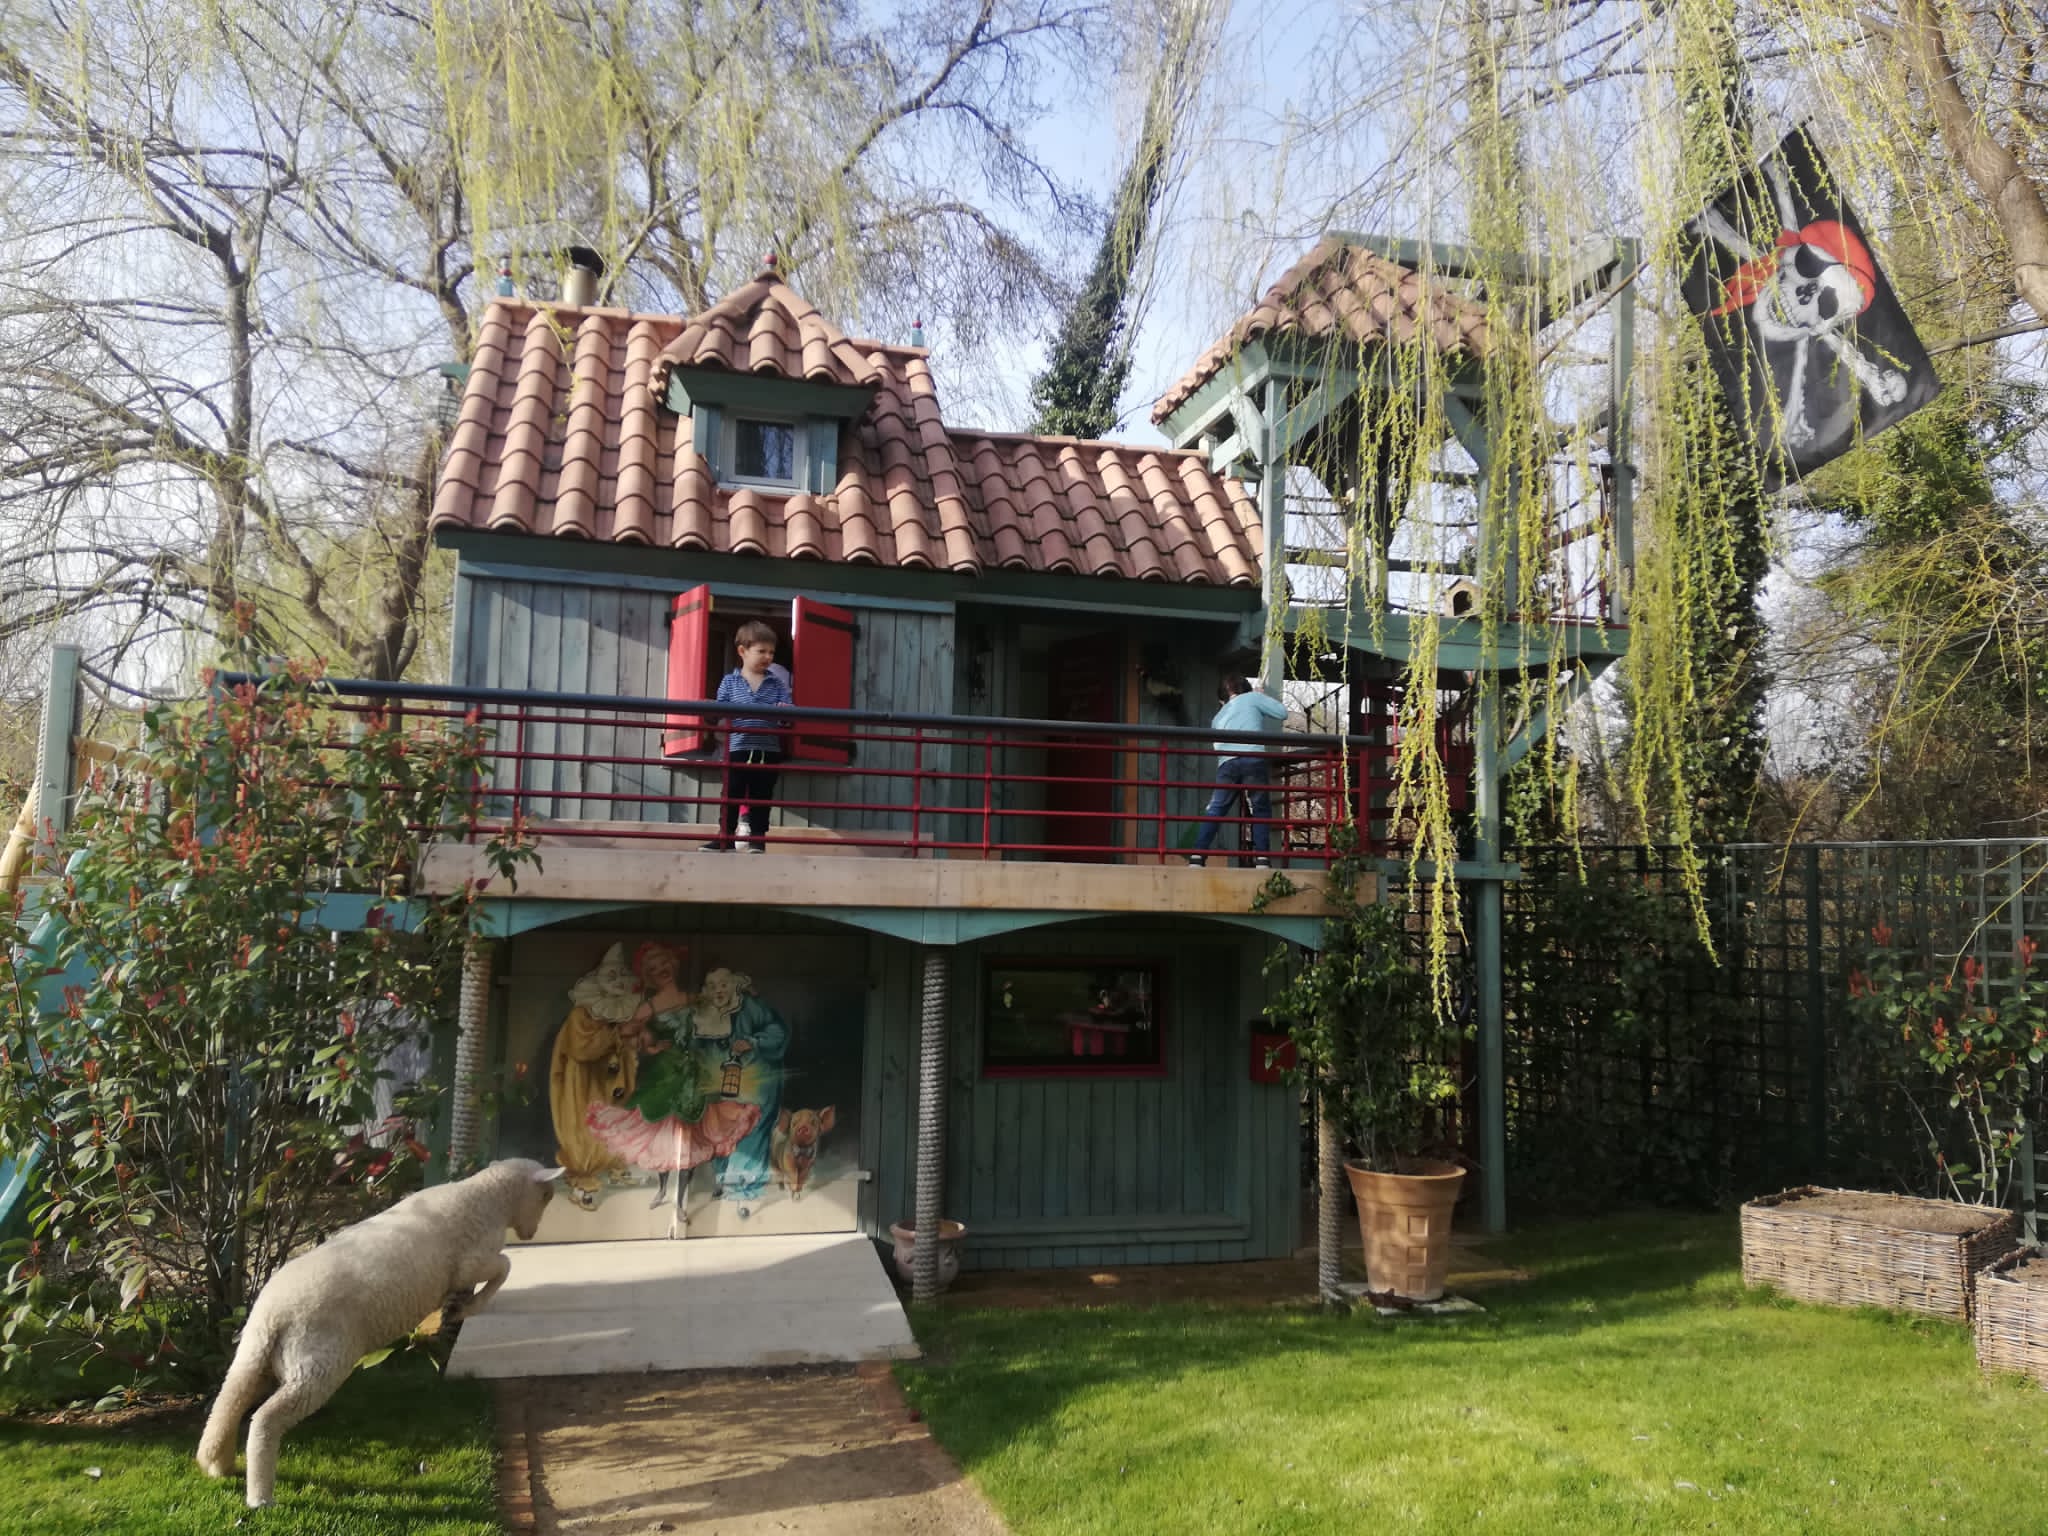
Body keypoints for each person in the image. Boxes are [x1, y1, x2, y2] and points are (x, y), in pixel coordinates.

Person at [702, 620, 792, 852]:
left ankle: (758, 840)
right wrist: (710, 713)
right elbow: (720, 710)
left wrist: (785, 712)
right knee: (731, 796)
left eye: (771, 652)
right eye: (761, 651)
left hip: (768, 750)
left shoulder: (777, 684)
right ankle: (725, 838)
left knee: (761, 797)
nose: (768, 657)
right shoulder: (729, 682)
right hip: (738, 748)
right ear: (742, 651)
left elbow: (788, 714)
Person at [1185, 675, 1287, 868]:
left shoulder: (1218, 717)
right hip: (1252, 757)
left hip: (1227, 763)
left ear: (1221, 699)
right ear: (1246, 688)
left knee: (1216, 809)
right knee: (1260, 808)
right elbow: (1282, 713)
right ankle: (1262, 858)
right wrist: (1261, 696)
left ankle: (1197, 856)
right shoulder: (1253, 698)